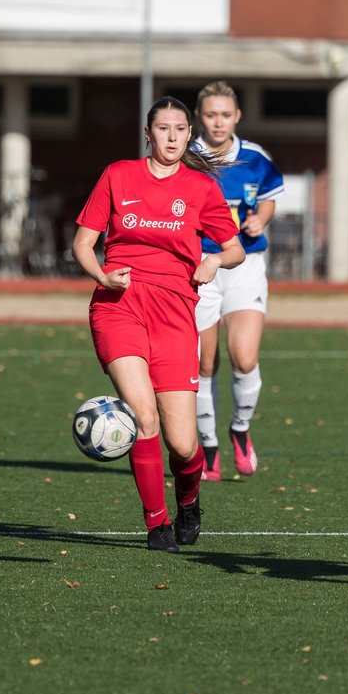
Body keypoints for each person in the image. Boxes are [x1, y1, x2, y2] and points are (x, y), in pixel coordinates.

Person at [72, 96, 245, 552]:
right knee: (143, 418)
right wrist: (102, 276)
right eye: (162, 129)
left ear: (190, 135)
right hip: (119, 305)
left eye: (179, 129)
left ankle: (189, 498)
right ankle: (157, 524)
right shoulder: (117, 175)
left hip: (174, 314)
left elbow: (236, 250)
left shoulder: (202, 188)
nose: (171, 137)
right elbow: (83, 244)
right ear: (148, 134)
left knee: (184, 445)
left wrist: (214, 260)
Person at [191, 81, 285, 480]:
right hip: (200, 267)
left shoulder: (255, 157)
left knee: (244, 357)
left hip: (245, 263)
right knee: (203, 361)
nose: (217, 122)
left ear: (237, 117)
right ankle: (207, 446)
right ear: (200, 116)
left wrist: (260, 219)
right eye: (211, 114)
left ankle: (240, 430)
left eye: (225, 115)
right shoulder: (187, 158)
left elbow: (269, 195)